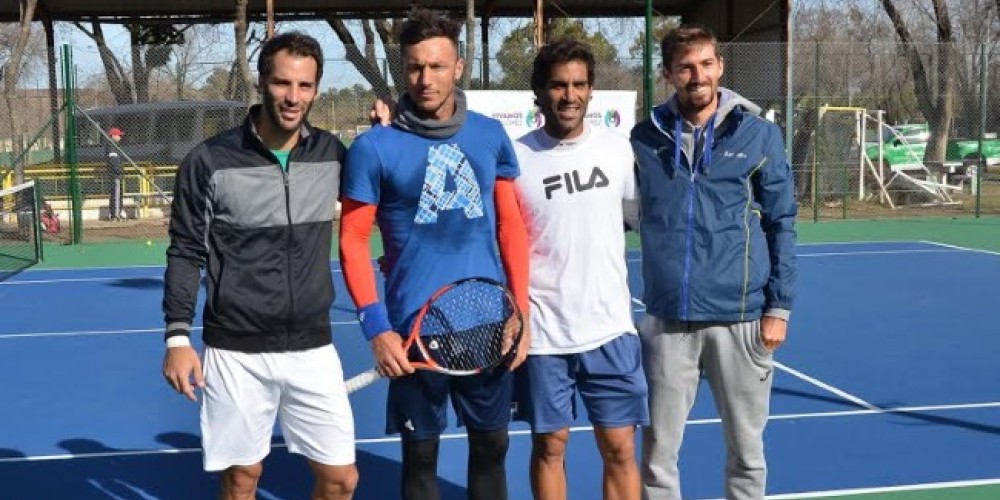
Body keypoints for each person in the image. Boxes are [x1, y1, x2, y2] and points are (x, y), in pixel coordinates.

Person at [339, 7, 530, 500]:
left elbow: (510, 226)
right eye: (415, 67)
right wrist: (376, 327)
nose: (426, 79)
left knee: (492, 450)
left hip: (489, 325)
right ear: (403, 70)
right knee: (420, 461)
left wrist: (521, 312)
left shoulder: (489, 134)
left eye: (438, 66)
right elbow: (353, 239)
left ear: (458, 67)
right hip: (413, 333)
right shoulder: (374, 148)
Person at [161, 32, 358, 500]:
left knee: (340, 479)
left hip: (312, 346)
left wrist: (390, 131)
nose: (293, 97)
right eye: (282, 83)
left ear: (316, 90)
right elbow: (186, 250)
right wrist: (177, 338)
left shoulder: (332, 154)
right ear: (262, 82)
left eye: (305, 86)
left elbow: (384, 198)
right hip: (236, 350)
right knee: (242, 479)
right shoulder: (209, 161)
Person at [630, 24, 798, 500]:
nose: (697, 75)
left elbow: (781, 222)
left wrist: (779, 308)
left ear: (720, 67)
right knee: (657, 459)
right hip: (668, 320)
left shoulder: (760, 135)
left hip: (740, 319)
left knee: (746, 455)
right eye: (685, 67)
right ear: (668, 74)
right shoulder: (643, 138)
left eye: (706, 64)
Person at [510, 39, 647, 500]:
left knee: (620, 449)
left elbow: (632, 218)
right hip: (544, 334)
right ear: (538, 91)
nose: (569, 95)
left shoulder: (618, 151)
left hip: (611, 329)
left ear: (591, 90)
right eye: (558, 85)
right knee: (550, 446)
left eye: (579, 85)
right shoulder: (515, 158)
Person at [105, 127, 125, 220]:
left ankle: (116, 213)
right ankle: (116, 215)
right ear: (113, 136)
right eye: (118, 135)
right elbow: (114, 162)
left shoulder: (115, 146)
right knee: (116, 195)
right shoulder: (111, 146)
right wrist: (119, 171)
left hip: (117, 174)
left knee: (117, 194)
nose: (120, 137)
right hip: (115, 175)